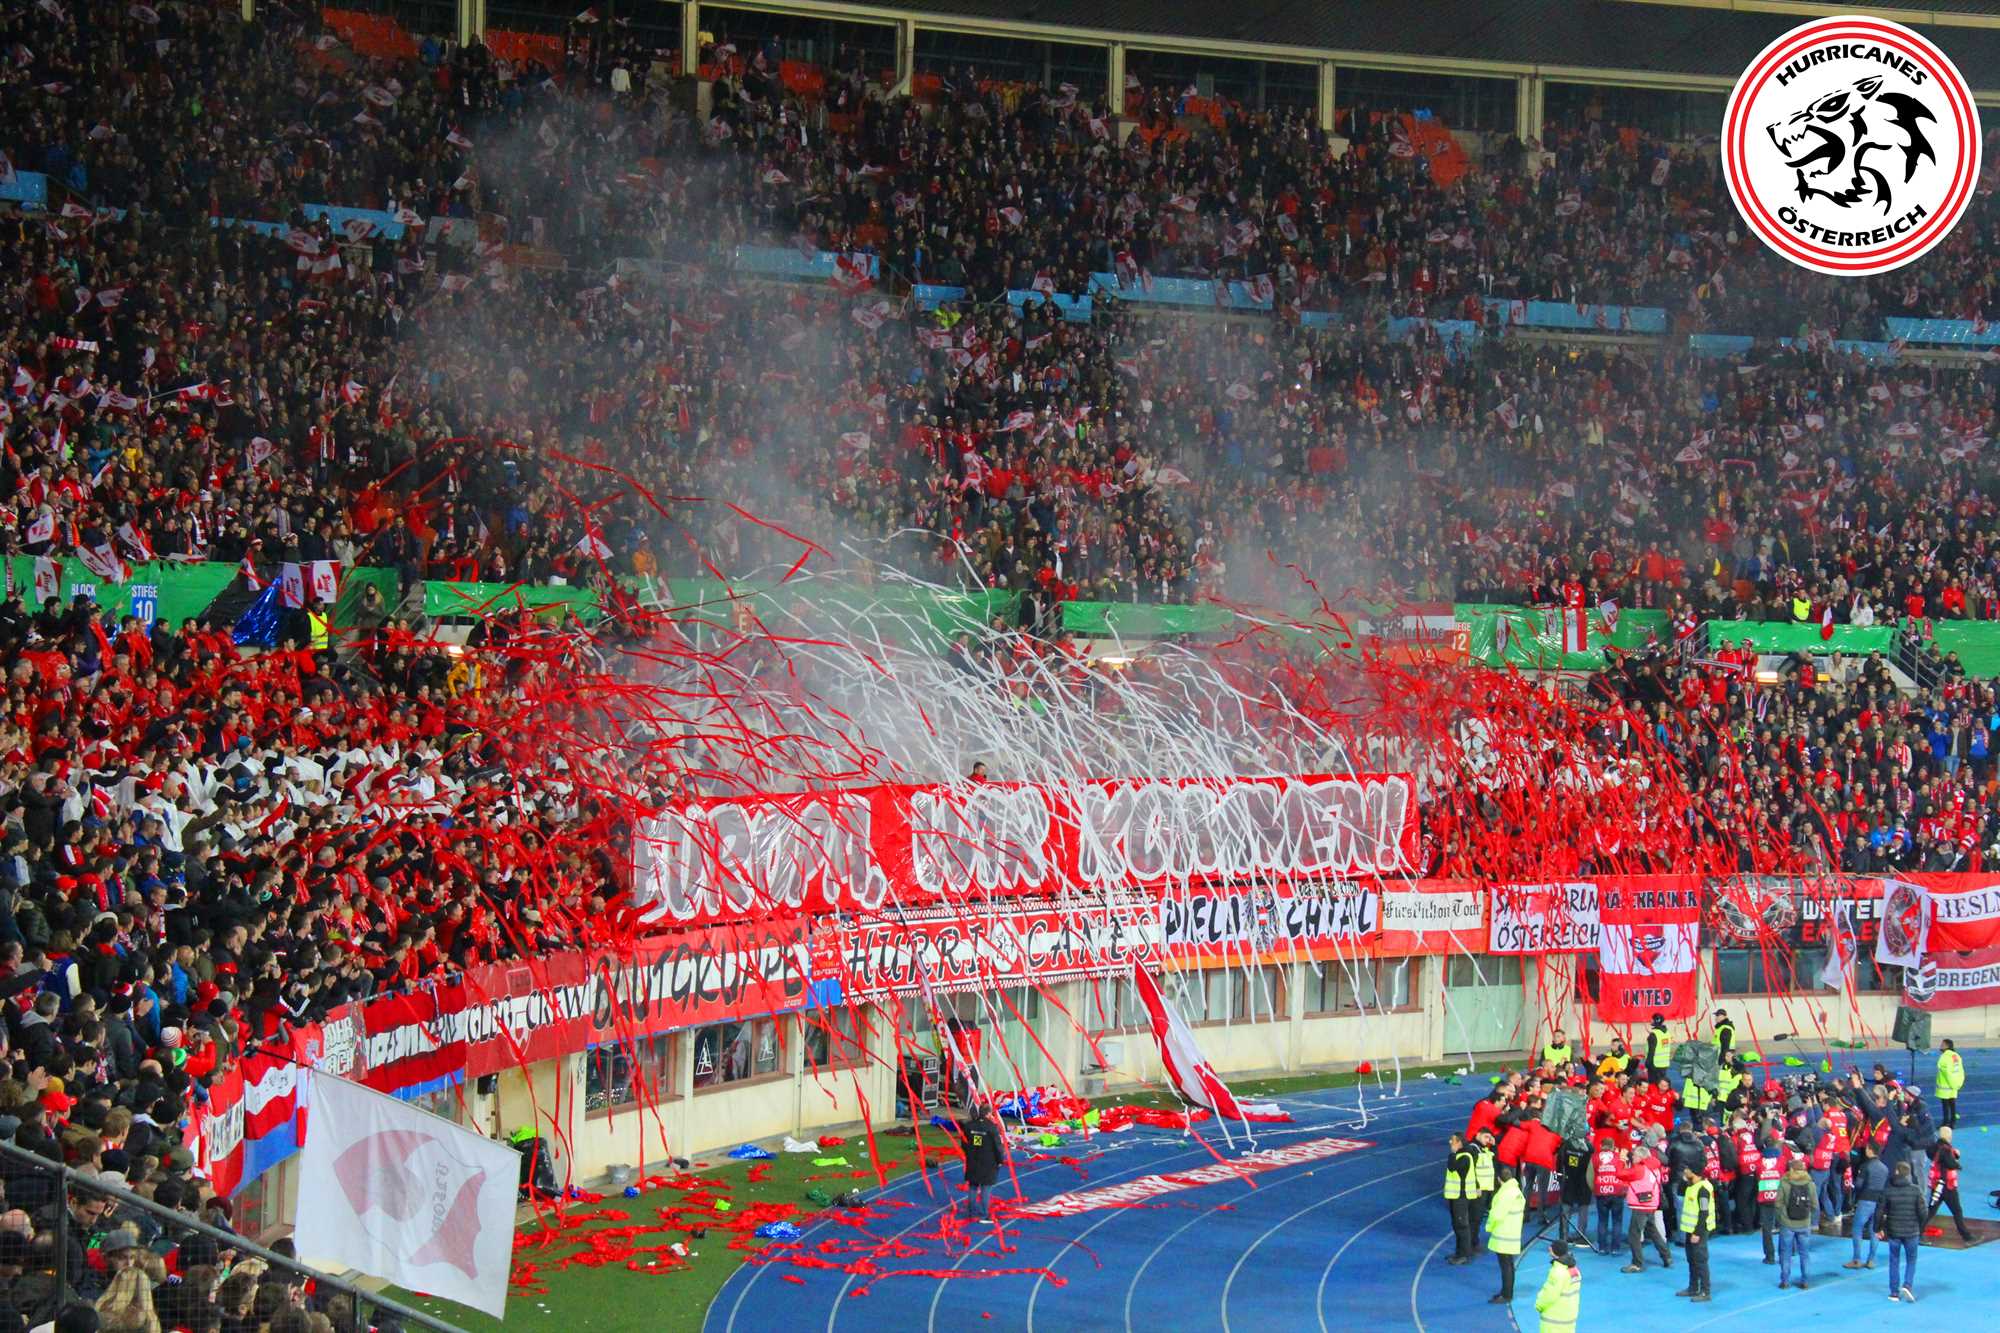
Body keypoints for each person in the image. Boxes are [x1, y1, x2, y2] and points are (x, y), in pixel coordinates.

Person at [1878, 1159, 1925, 1302]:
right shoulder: (1916, 1190)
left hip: (1894, 1232)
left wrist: (1878, 1228)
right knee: (1911, 1259)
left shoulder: (1888, 1191)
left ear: (1897, 1172)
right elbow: (1923, 1213)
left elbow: (1880, 1211)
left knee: (1894, 1260)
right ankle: (1907, 1285)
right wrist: (1920, 1228)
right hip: (1912, 1232)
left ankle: (1894, 1292)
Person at [1619, 1147, 1671, 1272]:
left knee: (1634, 1234)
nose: (1633, 1157)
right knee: (1653, 1231)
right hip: (1651, 1203)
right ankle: (1666, 1256)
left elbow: (1620, 1174)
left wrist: (1621, 1161)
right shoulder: (1654, 1166)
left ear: (1641, 1157)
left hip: (1641, 1205)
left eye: (1635, 1156)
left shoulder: (1640, 1168)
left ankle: (1637, 1264)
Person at [955, 1101, 1003, 1222]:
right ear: (988, 1113)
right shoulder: (992, 1127)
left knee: (973, 1187)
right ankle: (983, 1215)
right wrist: (1000, 1160)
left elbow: (964, 1143)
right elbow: (997, 1146)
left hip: (973, 1161)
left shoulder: (969, 1126)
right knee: (986, 1188)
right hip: (988, 1163)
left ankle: (971, 1213)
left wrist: (969, 1154)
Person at [1926, 1125, 1974, 1242]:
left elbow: (1941, 1159)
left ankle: (1917, 1232)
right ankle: (1967, 1236)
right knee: (1957, 1211)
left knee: (1931, 1211)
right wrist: (1957, 1163)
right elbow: (1951, 1164)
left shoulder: (1935, 1147)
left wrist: (1954, 1155)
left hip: (1937, 1184)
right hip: (1947, 1186)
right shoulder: (1946, 1149)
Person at [1485, 1165, 1525, 1304]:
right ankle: (1507, 1292)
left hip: (1503, 1235)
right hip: (1512, 1234)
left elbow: (1496, 1215)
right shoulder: (1516, 1191)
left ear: (1498, 1179)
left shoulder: (1505, 1194)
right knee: (1509, 1265)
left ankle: (1506, 1294)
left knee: (1505, 1266)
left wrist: (1489, 1227)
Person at [1676, 1162, 1716, 1302]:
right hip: (1690, 1230)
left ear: (1694, 1172)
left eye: (1687, 1169)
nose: (1685, 1171)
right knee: (1691, 1259)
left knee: (1700, 1260)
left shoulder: (1703, 1189)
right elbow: (1680, 1192)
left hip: (1699, 1231)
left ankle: (1705, 1291)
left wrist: (1697, 1233)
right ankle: (1693, 1287)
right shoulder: (1691, 1186)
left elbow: (1704, 1212)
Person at [1846, 1139, 1887, 1270]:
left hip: (1865, 1200)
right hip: (1878, 1202)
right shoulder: (1884, 1168)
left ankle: (1857, 1259)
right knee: (1874, 1230)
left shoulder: (1865, 1166)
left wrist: (1854, 1196)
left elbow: (1859, 1184)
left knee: (1857, 1228)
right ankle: (1871, 1260)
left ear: (1870, 1150)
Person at [1775, 1157, 1815, 1290]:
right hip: (1804, 1224)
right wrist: (1808, 1217)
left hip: (1787, 1224)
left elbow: (1778, 1204)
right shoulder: (1810, 1184)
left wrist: (1782, 1218)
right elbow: (1815, 1205)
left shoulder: (1784, 1183)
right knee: (1805, 1254)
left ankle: (1785, 1281)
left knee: (1785, 1253)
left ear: (1790, 1169)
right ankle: (1805, 1281)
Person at [1444, 1133, 1478, 1264]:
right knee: (1457, 1225)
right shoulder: (1461, 1155)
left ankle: (1464, 1255)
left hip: (1461, 1197)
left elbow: (1452, 1167)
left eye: (1452, 1140)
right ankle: (1459, 1252)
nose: (1450, 1142)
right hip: (1455, 1196)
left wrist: (1452, 1153)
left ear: (1459, 1143)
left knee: (1462, 1226)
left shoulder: (1465, 1157)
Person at [1533, 1241, 1581, 1333]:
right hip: (1569, 1316)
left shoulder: (1557, 1272)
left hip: (1554, 1318)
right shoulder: (1574, 1270)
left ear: (1554, 1251)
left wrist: (1539, 1305)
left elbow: (1550, 1294)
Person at [1592, 1132, 1626, 1254]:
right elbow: (1624, 1173)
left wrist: (1594, 1188)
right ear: (1613, 1146)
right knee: (1617, 1221)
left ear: (1601, 1146)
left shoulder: (1595, 1157)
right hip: (1617, 1191)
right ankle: (1615, 1248)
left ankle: (1602, 1247)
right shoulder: (1619, 1157)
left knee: (1602, 1220)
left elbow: (1591, 1174)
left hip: (1601, 1191)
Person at [1934, 1039, 1964, 1128]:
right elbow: (1960, 1070)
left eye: (1942, 1044)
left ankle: (1945, 1123)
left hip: (1945, 1086)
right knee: (1952, 1104)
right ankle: (1952, 1122)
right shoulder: (1956, 1056)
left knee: (1945, 1105)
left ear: (1947, 1046)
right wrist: (1958, 1083)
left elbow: (1946, 1072)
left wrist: (1951, 1083)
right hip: (1954, 1085)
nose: (1940, 1046)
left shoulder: (1944, 1057)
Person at [1645, 1014, 1674, 1083]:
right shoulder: (1667, 1033)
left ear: (1656, 1020)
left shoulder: (1654, 1035)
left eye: (1652, 1019)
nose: (1650, 1020)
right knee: (1662, 1084)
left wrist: (1647, 1064)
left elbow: (1651, 1051)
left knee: (1654, 1085)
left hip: (1654, 1065)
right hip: (1664, 1064)